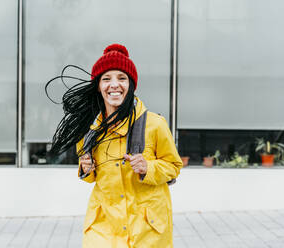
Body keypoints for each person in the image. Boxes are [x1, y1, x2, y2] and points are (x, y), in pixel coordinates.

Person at [48, 44, 183, 248]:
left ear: (131, 85)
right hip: (105, 227)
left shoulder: (155, 124)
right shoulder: (89, 129)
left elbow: (174, 166)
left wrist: (149, 167)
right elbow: (91, 176)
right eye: (106, 79)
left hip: (146, 229)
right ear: (98, 86)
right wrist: (86, 169)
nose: (114, 85)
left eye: (122, 78)